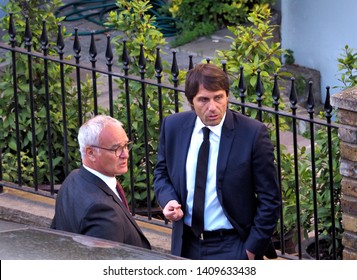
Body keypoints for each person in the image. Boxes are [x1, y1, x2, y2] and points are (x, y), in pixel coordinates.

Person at [153, 63, 280, 260]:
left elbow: (270, 198)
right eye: (203, 100)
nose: (212, 107)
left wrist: (250, 251)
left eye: (218, 98)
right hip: (185, 243)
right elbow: (162, 173)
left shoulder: (252, 134)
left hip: (232, 246)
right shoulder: (173, 127)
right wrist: (168, 200)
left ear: (227, 96)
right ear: (191, 101)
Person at [51, 115, 151, 250]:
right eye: (116, 149)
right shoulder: (102, 211)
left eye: (126, 145)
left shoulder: (73, 179)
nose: (125, 154)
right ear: (90, 153)